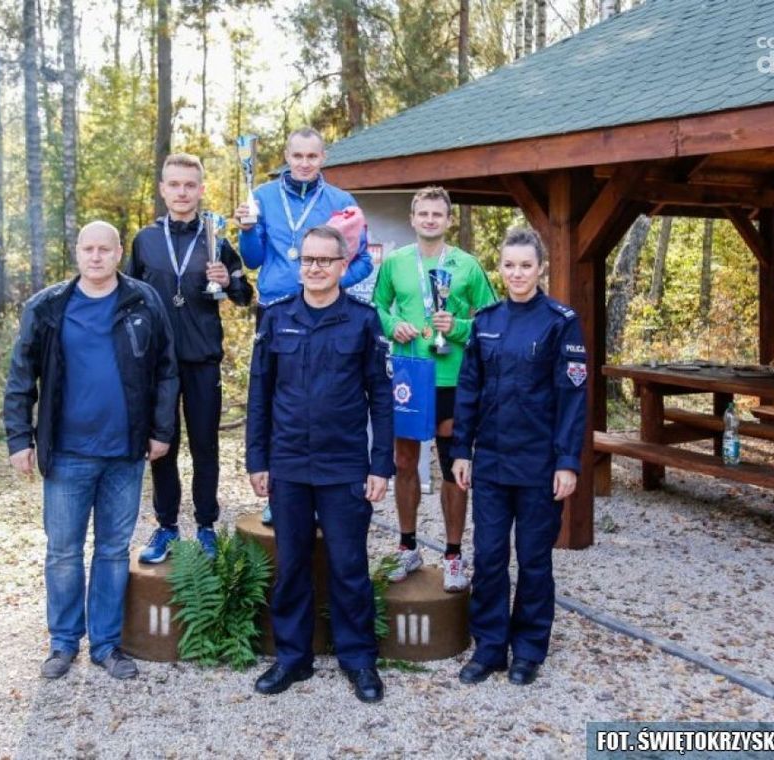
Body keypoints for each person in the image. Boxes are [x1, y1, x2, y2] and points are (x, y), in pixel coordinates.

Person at [3, 221, 178, 681]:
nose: (96, 256)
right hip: (67, 453)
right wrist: (19, 438)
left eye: (105, 248)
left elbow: (165, 370)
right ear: (77, 253)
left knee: (114, 550)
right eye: (88, 249)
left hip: (125, 451)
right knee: (62, 552)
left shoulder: (142, 301)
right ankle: (63, 643)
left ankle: (105, 644)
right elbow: (22, 377)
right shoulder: (47, 308)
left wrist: (162, 430)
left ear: (119, 252)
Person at [245, 225, 394, 703]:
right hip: (288, 463)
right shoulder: (275, 318)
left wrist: (380, 465)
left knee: (349, 565)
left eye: (324, 260)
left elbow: (383, 399)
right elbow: (259, 395)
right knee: (291, 566)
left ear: (343, 265)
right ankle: (293, 658)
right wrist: (257, 459)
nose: (314, 268)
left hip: (345, 465)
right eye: (307, 259)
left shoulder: (364, 321)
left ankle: (359, 660)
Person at [450, 227, 587, 687]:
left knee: (533, 559)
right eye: (509, 265)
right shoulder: (486, 320)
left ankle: (527, 650)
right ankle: (489, 647)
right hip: (490, 461)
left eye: (526, 265)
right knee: (488, 556)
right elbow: (468, 389)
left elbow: (573, 398)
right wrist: (461, 451)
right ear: (501, 267)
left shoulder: (559, 321)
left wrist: (568, 461)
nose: (517, 274)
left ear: (541, 268)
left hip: (538, 465)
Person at [236, 127, 375, 525]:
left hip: (327, 313)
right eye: (297, 156)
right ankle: (279, 488)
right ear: (286, 155)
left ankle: (330, 489)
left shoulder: (341, 202)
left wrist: (328, 284)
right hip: (278, 311)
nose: (304, 163)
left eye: (312, 157)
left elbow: (363, 260)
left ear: (323, 158)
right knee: (279, 398)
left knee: (327, 397)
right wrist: (247, 230)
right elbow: (253, 259)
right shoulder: (261, 197)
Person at [127, 153, 254, 563]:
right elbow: (127, 299)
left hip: (202, 359)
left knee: (205, 445)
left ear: (201, 189)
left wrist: (226, 281)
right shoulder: (145, 240)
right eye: (174, 185)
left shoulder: (216, 237)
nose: (182, 192)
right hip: (158, 365)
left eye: (190, 185)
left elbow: (244, 295)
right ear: (163, 189)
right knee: (161, 445)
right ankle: (166, 527)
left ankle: (205, 526)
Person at [371, 186, 497, 591]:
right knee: (405, 462)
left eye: (437, 214)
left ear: (448, 220)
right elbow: (376, 307)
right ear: (412, 219)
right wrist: (394, 326)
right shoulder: (394, 263)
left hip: (452, 378)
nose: (429, 220)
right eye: (423, 213)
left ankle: (454, 555)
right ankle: (408, 547)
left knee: (452, 467)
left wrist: (457, 328)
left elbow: (494, 321)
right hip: (410, 376)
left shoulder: (467, 266)